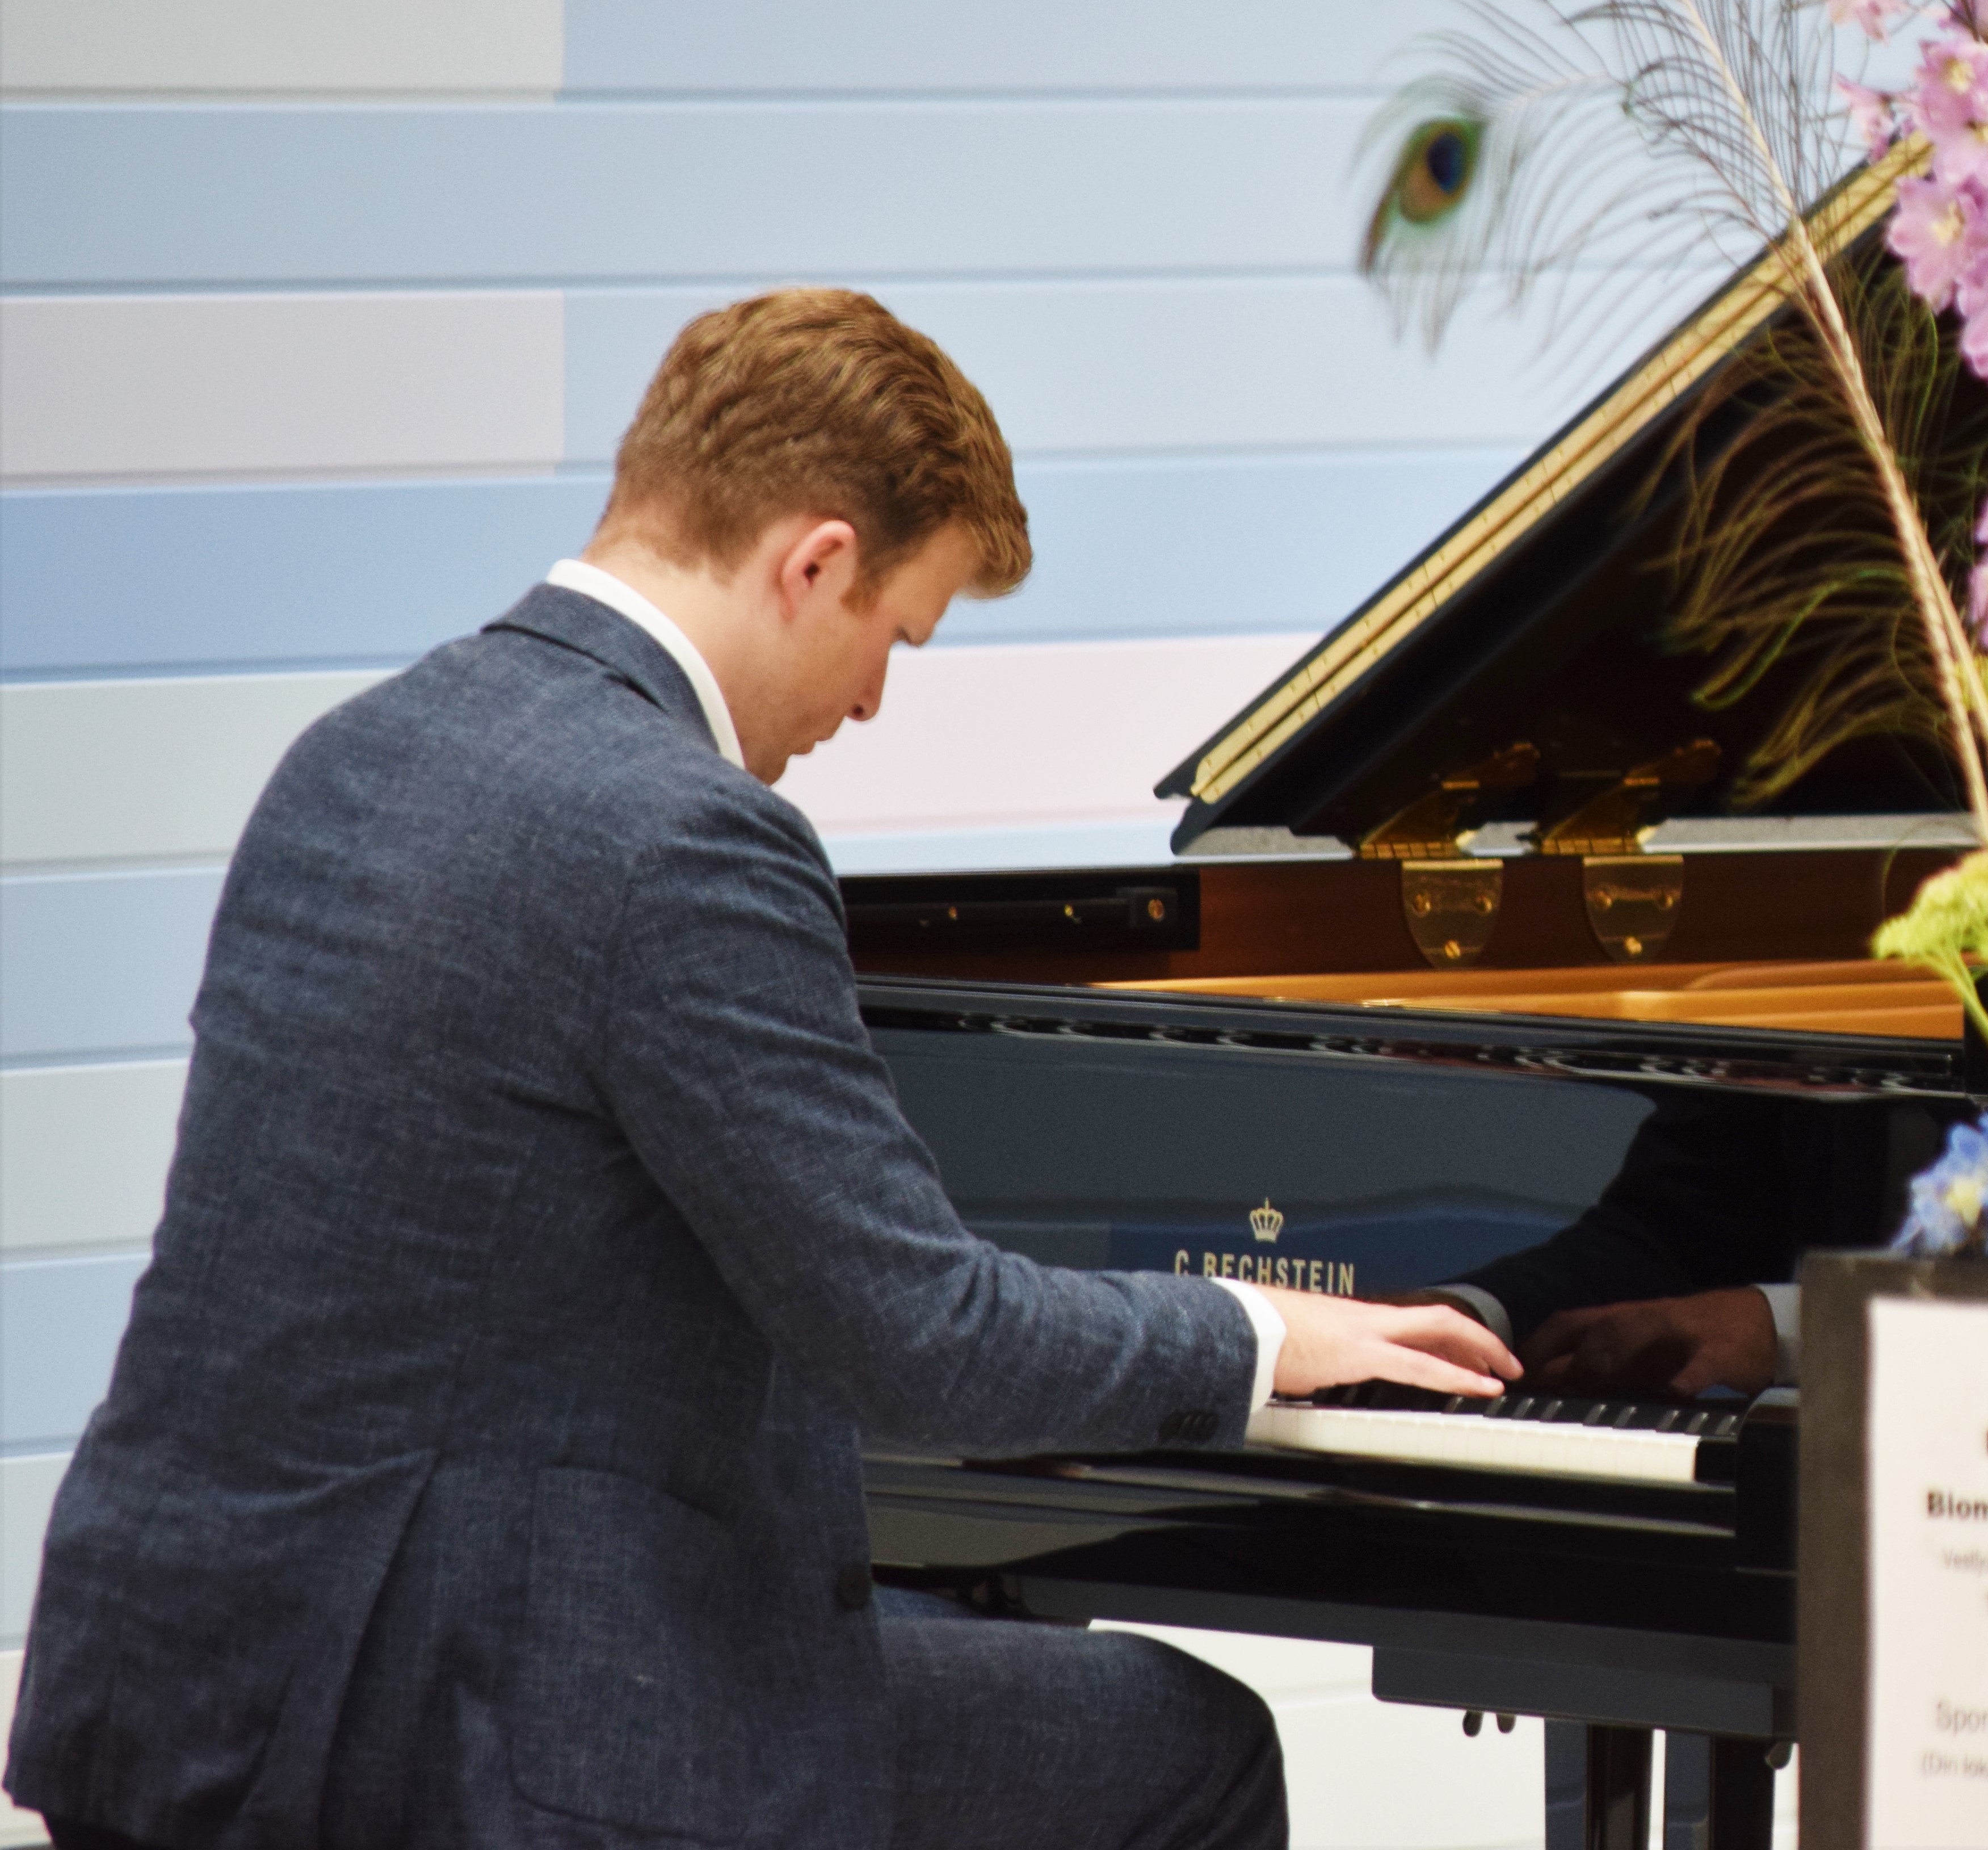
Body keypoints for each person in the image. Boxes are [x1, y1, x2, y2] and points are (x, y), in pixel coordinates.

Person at [3, 290, 1516, 1850]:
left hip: (182, 1688)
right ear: (817, 562)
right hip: (471, 1731)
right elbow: (923, 1342)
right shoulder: (685, 836)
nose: (870, 701)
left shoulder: (352, 757)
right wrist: (1261, 1334)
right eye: (894, 638)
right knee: (1187, 1743)